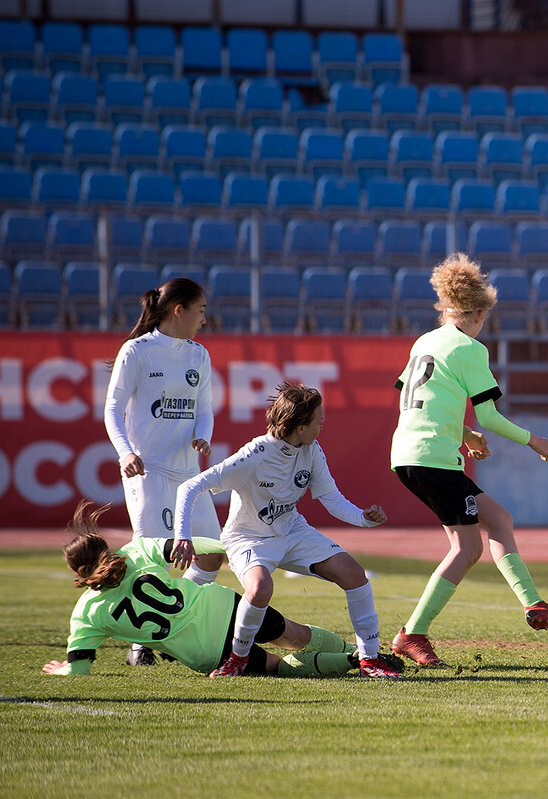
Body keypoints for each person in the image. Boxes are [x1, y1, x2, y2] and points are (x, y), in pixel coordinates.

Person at [388, 253, 548, 667]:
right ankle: (412, 634)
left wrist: (462, 433)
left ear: (447, 309)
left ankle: (534, 606)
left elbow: (414, 401)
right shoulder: (469, 348)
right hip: (434, 459)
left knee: (498, 520)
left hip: (408, 451)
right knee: (465, 548)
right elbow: (490, 415)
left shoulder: (425, 341)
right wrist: (533, 440)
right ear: (479, 312)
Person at [173, 383, 400, 679]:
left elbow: (331, 498)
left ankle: (369, 660)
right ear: (301, 427)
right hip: (248, 537)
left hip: (292, 530)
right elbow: (190, 487)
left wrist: (364, 518)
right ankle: (236, 660)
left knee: (354, 574)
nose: (322, 426)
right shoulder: (254, 454)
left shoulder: (311, 449)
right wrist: (183, 535)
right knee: (259, 589)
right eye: (319, 421)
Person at [43, 501, 403, 678]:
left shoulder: (85, 613)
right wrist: (235, 549)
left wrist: (61, 669)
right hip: (225, 606)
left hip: (204, 650)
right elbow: (193, 546)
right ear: (104, 550)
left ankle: (353, 662)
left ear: (77, 572)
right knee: (296, 633)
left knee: (278, 667)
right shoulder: (134, 552)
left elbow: (79, 670)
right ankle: (365, 654)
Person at [104, 277, 224, 667]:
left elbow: (203, 408)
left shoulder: (199, 355)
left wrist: (203, 436)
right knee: (154, 557)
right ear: (179, 310)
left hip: (190, 474)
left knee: (210, 555)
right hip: (148, 470)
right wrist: (125, 453)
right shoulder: (136, 351)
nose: (205, 319)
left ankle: (174, 621)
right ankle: (141, 641)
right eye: (201, 310)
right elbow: (113, 410)